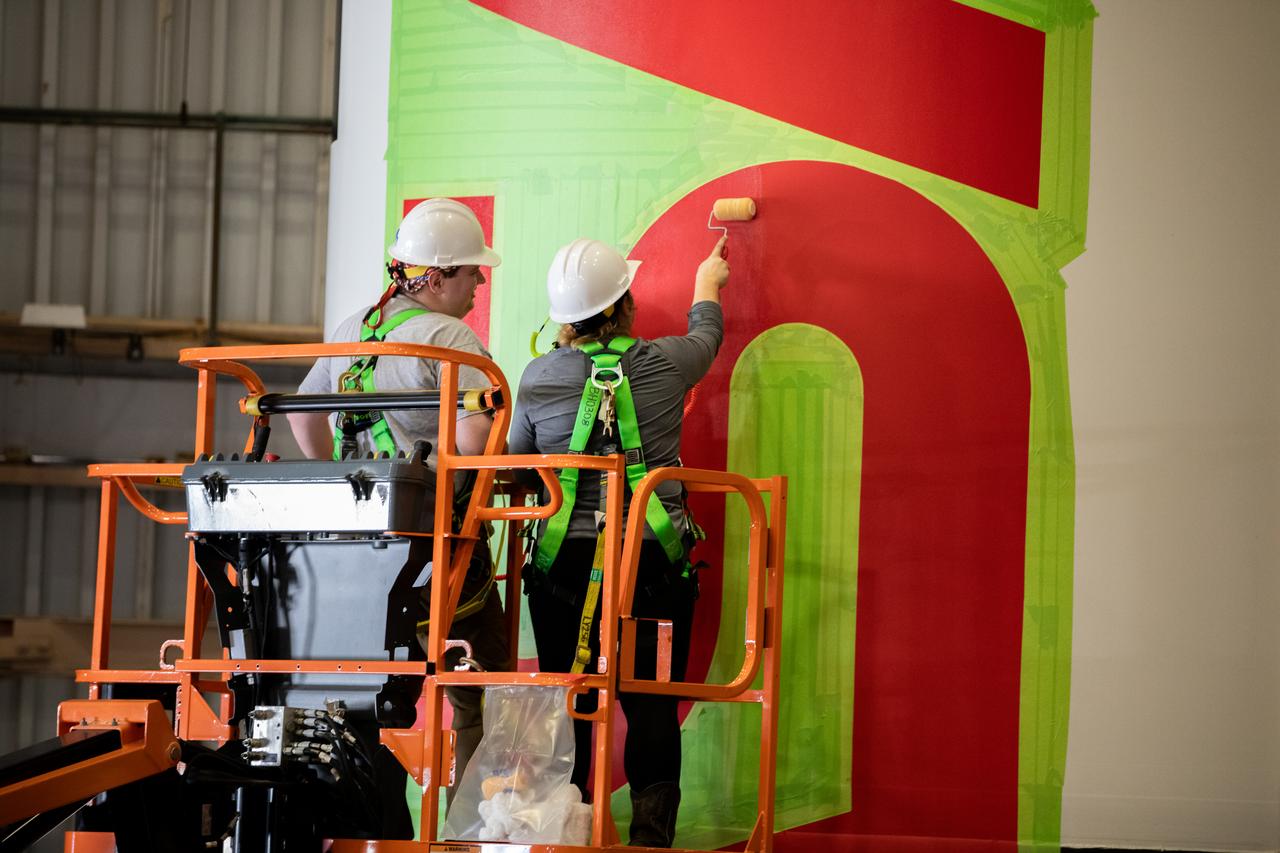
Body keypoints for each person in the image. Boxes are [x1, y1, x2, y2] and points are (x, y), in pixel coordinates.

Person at [287, 197, 512, 801]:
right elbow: (475, 442)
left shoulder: (351, 328)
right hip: (438, 551)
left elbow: (305, 421)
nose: (479, 282)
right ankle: (469, 834)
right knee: (480, 691)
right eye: (471, 271)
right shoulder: (449, 336)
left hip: (354, 557)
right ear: (435, 277)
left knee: (367, 702)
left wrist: (339, 484)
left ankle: (370, 825)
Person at [508, 234, 730, 847]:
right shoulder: (668, 361)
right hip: (651, 567)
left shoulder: (538, 375)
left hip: (564, 573)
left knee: (568, 697)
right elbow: (707, 336)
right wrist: (707, 284)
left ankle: (565, 835)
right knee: (652, 703)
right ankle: (650, 841)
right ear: (623, 306)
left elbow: (520, 465)